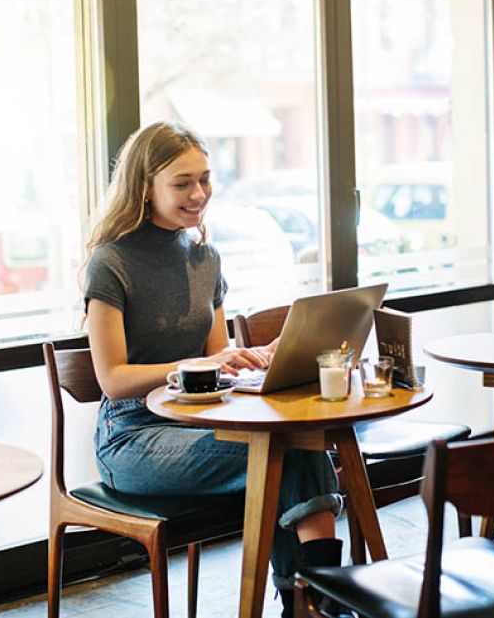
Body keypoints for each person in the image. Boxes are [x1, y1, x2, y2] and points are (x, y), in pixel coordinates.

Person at [82, 121, 344, 617]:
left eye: (204, 179)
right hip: (133, 437)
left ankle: (310, 600)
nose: (199, 193)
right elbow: (112, 379)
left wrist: (248, 362)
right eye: (182, 183)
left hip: (200, 423)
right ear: (144, 187)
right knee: (284, 451)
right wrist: (200, 363)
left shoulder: (205, 257)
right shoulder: (111, 263)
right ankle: (313, 600)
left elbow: (216, 362)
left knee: (293, 444)